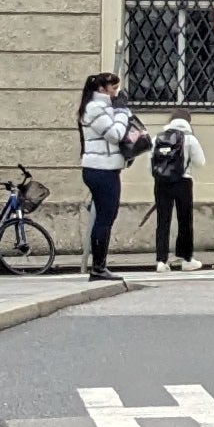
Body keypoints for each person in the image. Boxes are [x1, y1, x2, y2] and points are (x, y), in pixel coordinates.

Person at [76, 71, 136, 281]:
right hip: (101, 169)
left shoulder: (102, 107)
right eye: (114, 88)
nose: (117, 92)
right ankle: (98, 267)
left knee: (106, 217)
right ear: (102, 89)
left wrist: (120, 110)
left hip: (106, 168)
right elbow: (115, 134)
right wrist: (120, 111)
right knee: (104, 218)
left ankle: (99, 266)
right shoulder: (95, 108)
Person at [150, 114, 202, 272]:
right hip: (183, 181)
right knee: (185, 220)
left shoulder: (156, 139)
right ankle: (186, 259)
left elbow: (150, 163)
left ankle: (161, 260)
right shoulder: (190, 139)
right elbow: (201, 162)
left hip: (161, 183)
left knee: (162, 221)